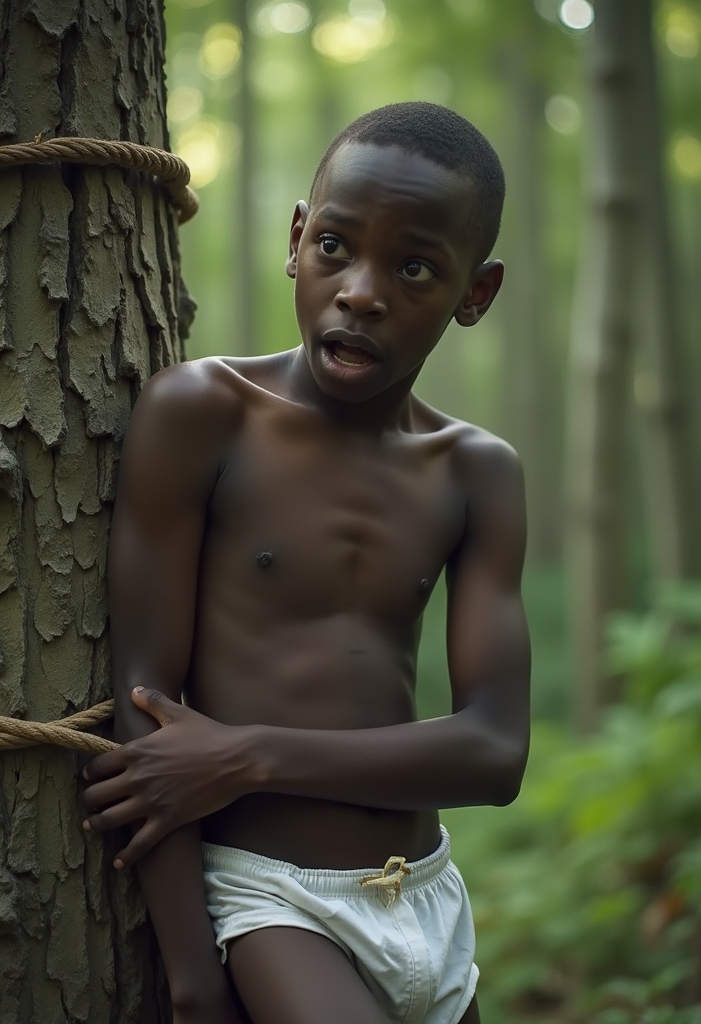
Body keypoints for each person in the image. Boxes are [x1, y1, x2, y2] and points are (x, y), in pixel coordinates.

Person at [81, 101, 531, 1024]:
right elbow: (146, 720)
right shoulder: (204, 412)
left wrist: (248, 756)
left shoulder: (477, 473)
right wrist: (192, 975)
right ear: (297, 239)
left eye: (413, 268)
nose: (362, 291)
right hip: (272, 902)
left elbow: (495, 752)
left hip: (432, 897)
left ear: (474, 295)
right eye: (336, 246)